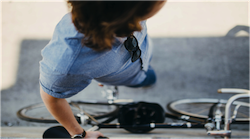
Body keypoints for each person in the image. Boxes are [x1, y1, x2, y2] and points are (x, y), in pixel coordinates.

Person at [39, 0, 167, 139]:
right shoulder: (66, 61)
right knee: (147, 78)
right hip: (129, 76)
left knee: (147, 72)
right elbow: (53, 99)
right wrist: (80, 134)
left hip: (143, 52)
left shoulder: (125, 10)